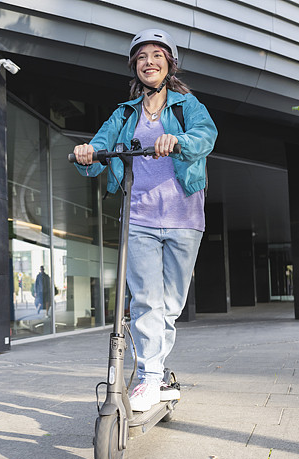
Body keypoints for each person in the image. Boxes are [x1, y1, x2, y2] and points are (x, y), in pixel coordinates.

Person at [73, 29, 217, 412]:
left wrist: (179, 141)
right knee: (146, 301)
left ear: (169, 63)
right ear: (135, 68)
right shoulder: (124, 113)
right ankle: (151, 378)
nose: (149, 61)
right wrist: (89, 153)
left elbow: (206, 136)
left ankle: (156, 371)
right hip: (139, 217)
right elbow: (101, 148)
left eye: (156, 55)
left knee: (171, 303)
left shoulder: (187, 106)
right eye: (141, 57)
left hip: (185, 216)